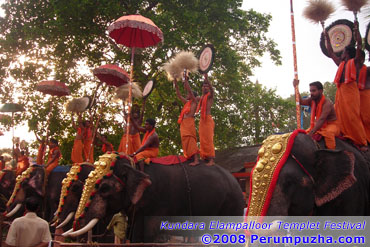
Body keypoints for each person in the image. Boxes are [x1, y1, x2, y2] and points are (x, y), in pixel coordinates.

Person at [325, 20, 368, 150]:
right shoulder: (341, 63)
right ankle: (345, 135)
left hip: (351, 91)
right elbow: (331, 52)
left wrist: (357, 30)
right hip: (340, 91)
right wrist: (327, 37)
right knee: (339, 114)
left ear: (347, 53)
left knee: (352, 116)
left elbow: (359, 46)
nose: (341, 53)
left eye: (343, 52)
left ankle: (362, 143)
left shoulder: (356, 63)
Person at [293, 80, 340, 149]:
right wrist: (295, 87)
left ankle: (332, 153)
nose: (311, 93)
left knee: (328, 133)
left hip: (332, 125)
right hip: (318, 125)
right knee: (302, 134)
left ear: (321, 91)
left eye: (314, 91)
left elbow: (322, 119)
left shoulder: (327, 104)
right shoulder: (312, 100)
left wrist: (311, 133)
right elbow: (300, 101)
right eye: (310, 91)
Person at [174, 76, 200, 166]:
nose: (186, 95)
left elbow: (189, 90)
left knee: (191, 139)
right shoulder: (187, 103)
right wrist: (175, 83)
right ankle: (189, 157)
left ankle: (196, 160)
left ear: (192, 95)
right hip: (183, 123)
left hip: (189, 122)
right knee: (185, 140)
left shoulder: (194, 102)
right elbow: (179, 95)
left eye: (189, 94)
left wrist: (186, 81)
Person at [196, 75, 215, 166]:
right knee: (202, 139)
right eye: (203, 86)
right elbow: (192, 96)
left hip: (207, 119)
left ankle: (211, 159)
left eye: (207, 86)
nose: (205, 87)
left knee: (208, 138)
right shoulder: (201, 98)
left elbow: (212, 90)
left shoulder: (210, 96)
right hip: (202, 120)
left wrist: (207, 80)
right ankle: (204, 156)